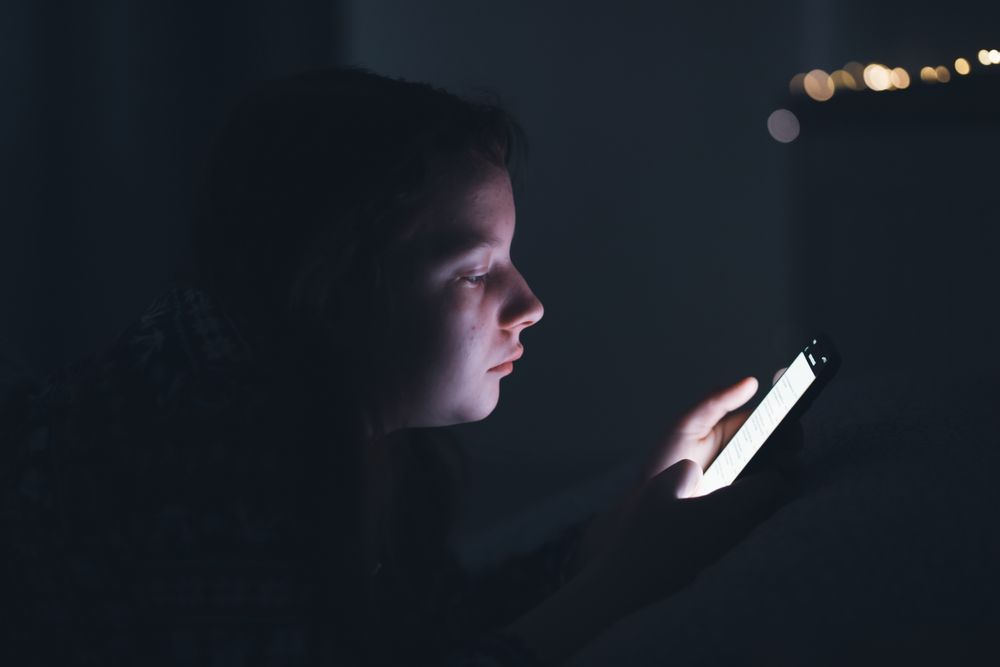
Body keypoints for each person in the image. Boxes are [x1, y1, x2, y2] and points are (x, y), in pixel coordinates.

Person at [0, 66, 790, 666]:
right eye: (476, 272)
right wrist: (624, 587)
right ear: (336, 281)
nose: (532, 304)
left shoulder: (320, 397)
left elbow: (421, 625)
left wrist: (618, 529)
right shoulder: (193, 437)